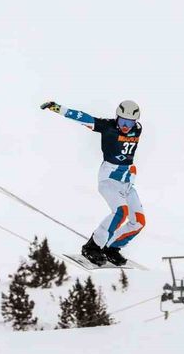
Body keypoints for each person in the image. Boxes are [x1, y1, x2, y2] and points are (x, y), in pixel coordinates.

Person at [40, 100, 145, 266]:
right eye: (122, 121)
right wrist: (58, 108)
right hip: (109, 179)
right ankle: (93, 247)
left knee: (139, 222)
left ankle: (111, 248)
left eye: (130, 122)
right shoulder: (107, 127)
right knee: (121, 212)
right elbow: (83, 117)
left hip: (127, 182)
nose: (126, 126)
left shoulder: (137, 129)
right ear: (116, 117)